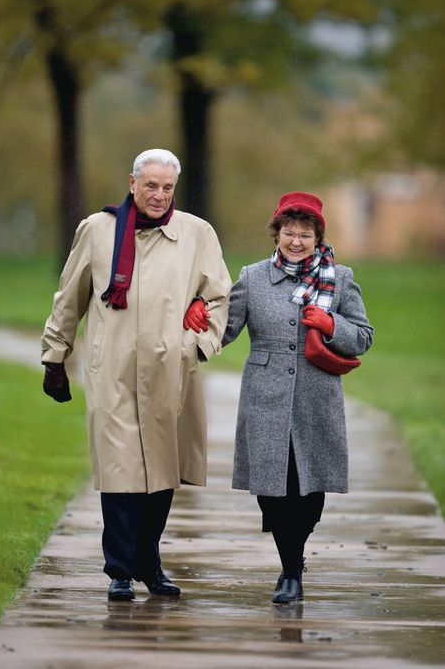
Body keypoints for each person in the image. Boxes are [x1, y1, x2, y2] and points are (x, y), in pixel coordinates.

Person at [41, 148, 231, 601]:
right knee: (121, 471)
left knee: (162, 472)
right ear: (132, 183)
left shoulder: (197, 234)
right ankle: (121, 570)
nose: (159, 195)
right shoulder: (97, 230)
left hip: (172, 369)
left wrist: (197, 343)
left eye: (167, 187)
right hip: (114, 370)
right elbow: (70, 297)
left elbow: (221, 296)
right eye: (151, 185)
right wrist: (54, 357)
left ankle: (150, 561)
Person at [222, 191, 373, 604]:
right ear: (276, 234)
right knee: (272, 492)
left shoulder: (339, 278)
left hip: (315, 397)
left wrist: (331, 322)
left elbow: (363, 337)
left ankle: (291, 568)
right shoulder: (252, 277)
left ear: (317, 236)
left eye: (305, 234)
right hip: (265, 396)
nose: (296, 241)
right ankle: (291, 569)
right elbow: (225, 329)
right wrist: (195, 317)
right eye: (289, 232)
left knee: (307, 494)